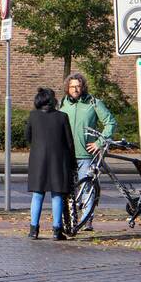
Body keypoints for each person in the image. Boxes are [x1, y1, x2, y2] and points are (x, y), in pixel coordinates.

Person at [59, 73, 117, 231]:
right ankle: (69, 220)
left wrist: (100, 142)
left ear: (83, 86)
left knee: (86, 187)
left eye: (78, 86)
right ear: (67, 88)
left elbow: (110, 122)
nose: (75, 89)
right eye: (72, 86)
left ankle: (86, 221)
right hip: (67, 154)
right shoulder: (62, 103)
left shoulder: (93, 103)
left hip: (86, 155)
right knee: (67, 188)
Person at [25, 87, 75, 241]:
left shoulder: (33, 116)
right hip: (58, 160)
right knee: (57, 195)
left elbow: (28, 138)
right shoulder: (62, 117)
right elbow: (69, 142)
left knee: (37, 194)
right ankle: (56, 230)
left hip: (37, 161)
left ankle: (34, 230)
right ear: (53, 101)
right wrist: (72, 162)